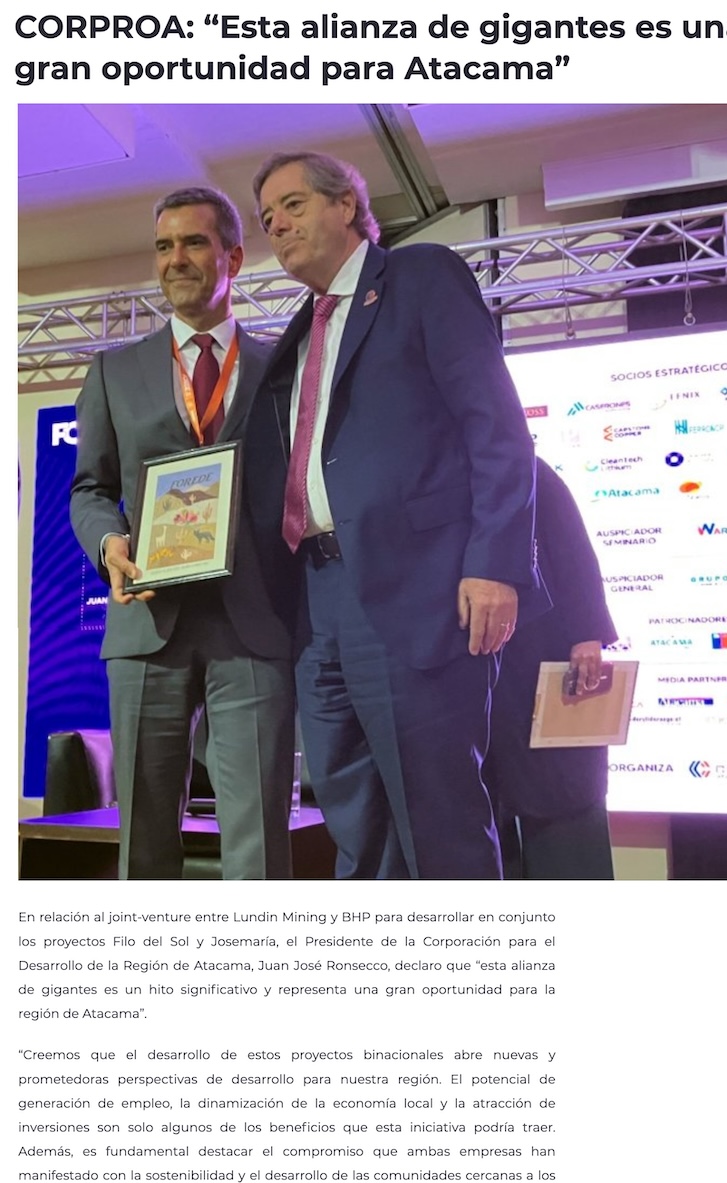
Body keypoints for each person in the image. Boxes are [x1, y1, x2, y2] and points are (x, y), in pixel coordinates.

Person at [244, 150, 547, 880]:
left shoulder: (419, 278)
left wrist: (494, 564)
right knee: (356, 830)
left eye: (292, 205)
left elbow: (496, 427)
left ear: (346, 205)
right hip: (317, 604)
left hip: (418, 595)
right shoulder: (298, 334)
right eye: (267, 218)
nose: (276, 225)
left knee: (440, 827)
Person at [70, 186, 296, 879]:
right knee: (142, 838)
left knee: (259, 837)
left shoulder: (284, 367)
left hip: (253, 623)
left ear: (234, 256)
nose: (176, 259)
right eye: (164, 246)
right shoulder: (114, 370)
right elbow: (90, 489)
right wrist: (109, 542)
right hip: (147, 623)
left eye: (194, 242)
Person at [486, 456, 618, 880]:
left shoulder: (522, 466)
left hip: (548, 654)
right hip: (472, 668)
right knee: (484, 818)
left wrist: (587, 633)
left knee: (567, 802)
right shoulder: (424, 468)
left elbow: (572, 548)